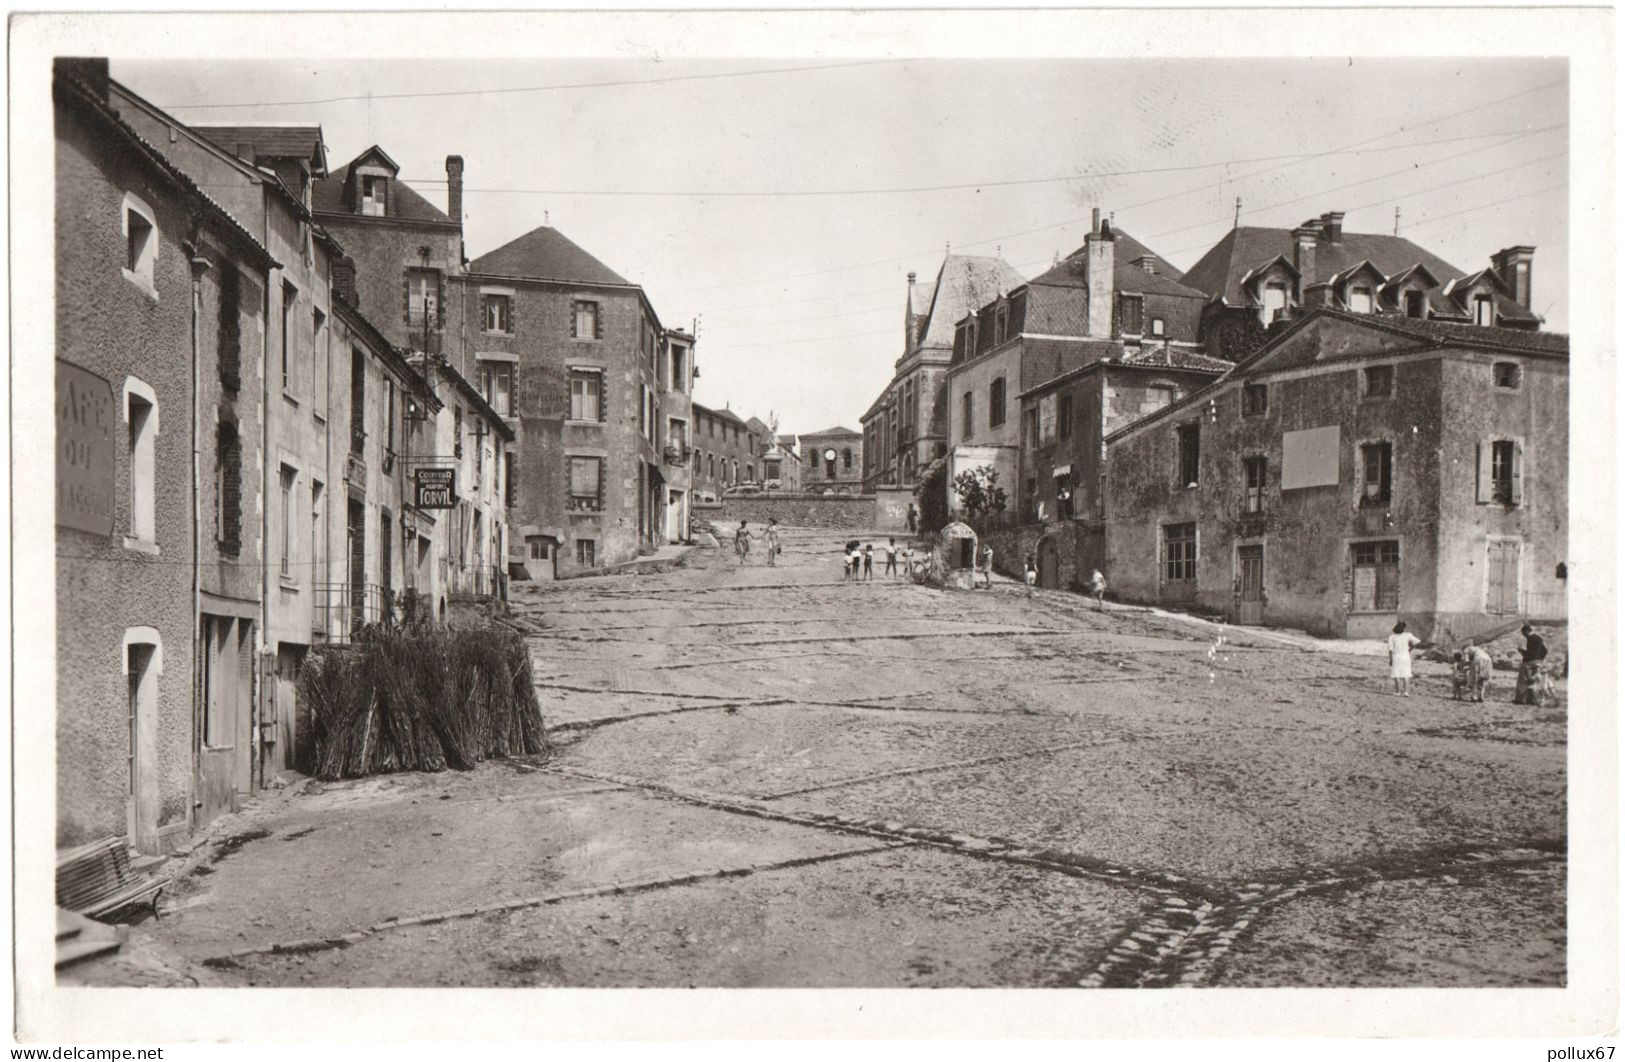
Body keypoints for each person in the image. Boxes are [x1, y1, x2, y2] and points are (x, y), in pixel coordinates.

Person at [1515, 624, 1550, 705]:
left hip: (1528, 662)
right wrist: (1540, 659)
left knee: (1523, 681)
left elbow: (1530, 653)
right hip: (1538, 662)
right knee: (1534, 681)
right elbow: (1545, 650)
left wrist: (1521, 651)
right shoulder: (1539, 638)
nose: (1524, 635)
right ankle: (1532, 699)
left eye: (1524, 633)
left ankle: (1521, 700)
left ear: (1527, 631)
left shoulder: (1530, 639)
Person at [1387, 621, 1421, 696]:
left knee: (1396, 674)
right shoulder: (1407, 635)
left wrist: (1390, 660)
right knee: (1406, 674)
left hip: (1396, 656)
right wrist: (1410, 648)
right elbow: (1417, 641)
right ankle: (1406, 692)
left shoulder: (1392, 637)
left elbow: (1390, 649)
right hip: (1405, 656)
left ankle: (1397, 692)